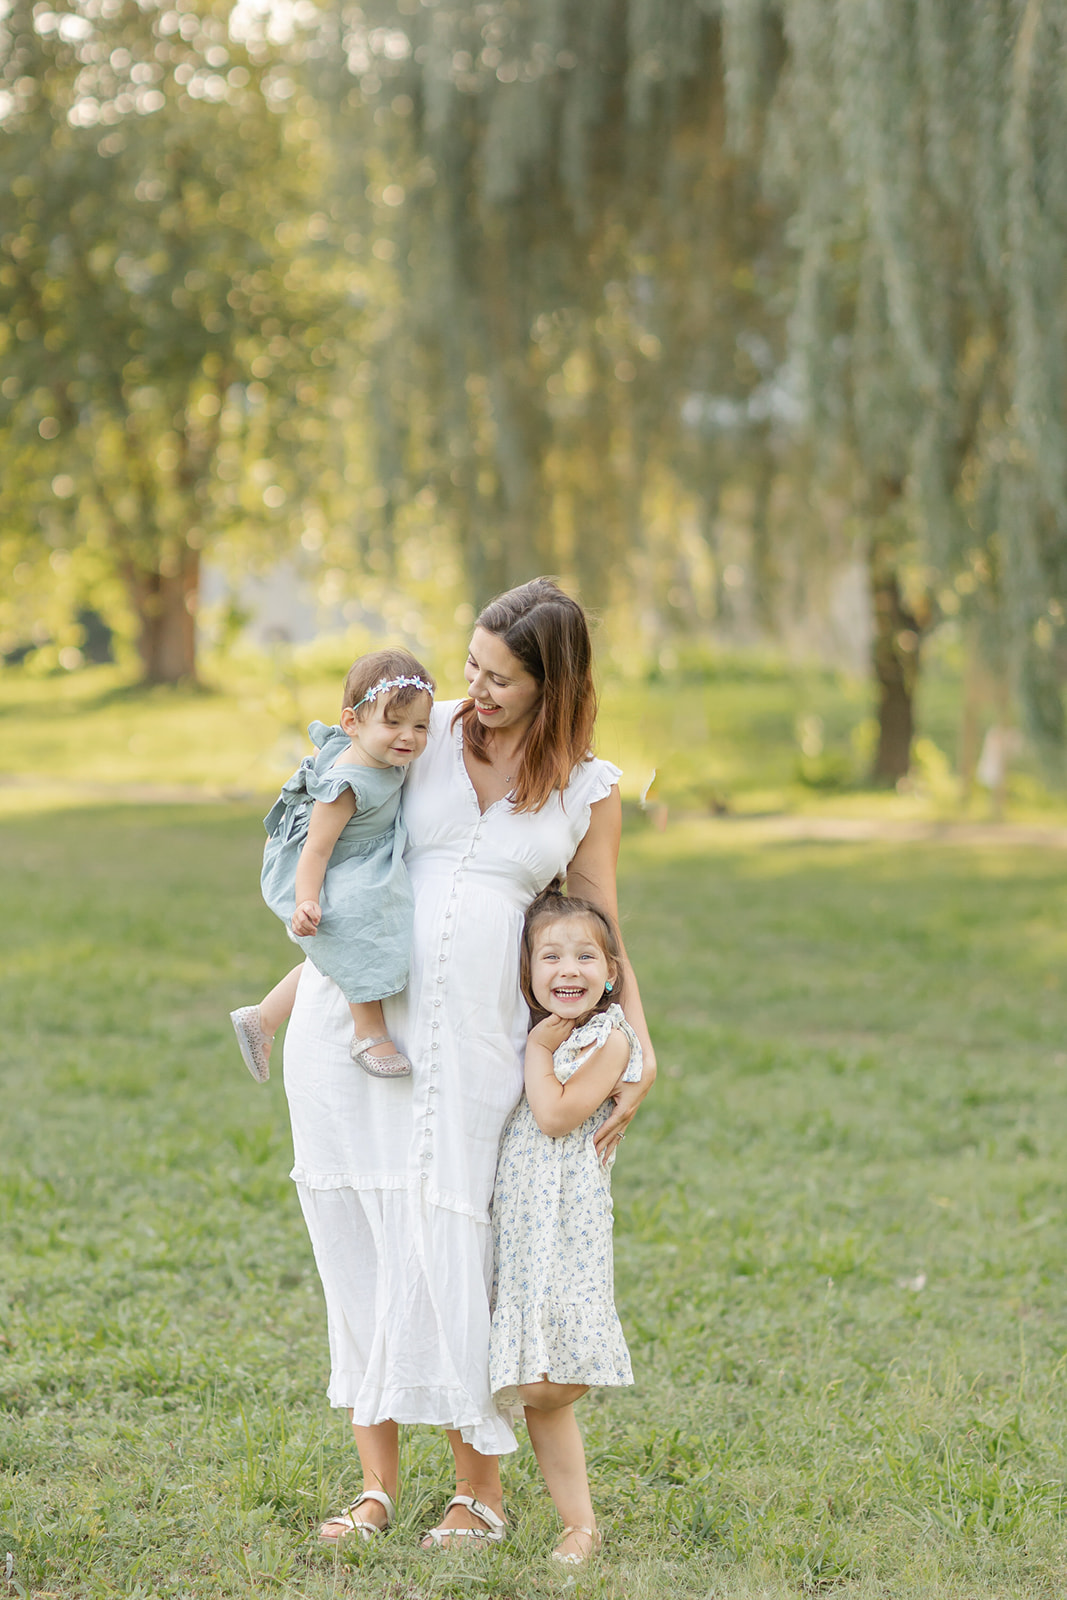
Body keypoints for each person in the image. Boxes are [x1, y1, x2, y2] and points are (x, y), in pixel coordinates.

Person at [281, 577, 656, 1549]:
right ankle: (371, 1488)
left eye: (498, 678)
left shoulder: (587, 784)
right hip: (355, 1034)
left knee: (457, 1249)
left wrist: (635, 1042)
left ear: (551, 683)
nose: (473, 689)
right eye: (472, 666)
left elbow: (601, 921)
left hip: (480, 1045)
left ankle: (476, 1494)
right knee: (362, 1243)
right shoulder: (419, 727)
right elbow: (327, 806)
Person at [489, 885, 642, 1565]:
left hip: (565, 1236)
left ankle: (580, 1522)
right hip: (517, 1234)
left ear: (611, 971)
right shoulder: (539, 1030)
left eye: (585, 955)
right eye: (549, 957)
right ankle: (566, 1520)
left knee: (551, 1384)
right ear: (526, 973)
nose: (567, 970)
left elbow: (554, 1116)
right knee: (532, 1385)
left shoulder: (607, 1038)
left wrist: (534, 1052)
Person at [230, 649, 434, 1081]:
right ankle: (369, 1033)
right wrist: (307, 901)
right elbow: (316, 851)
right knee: (357, 928)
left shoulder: (381, 754)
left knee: (334, 954)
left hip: (359, 855)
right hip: (330, 866)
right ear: (352, 723)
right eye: (393, 723)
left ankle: (263, 1018)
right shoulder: (346, 785)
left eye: (420, 726)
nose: (408, 737)